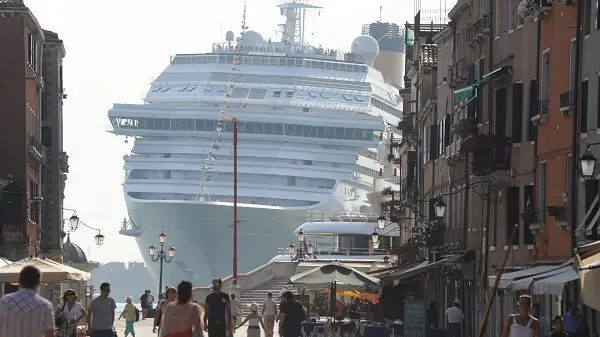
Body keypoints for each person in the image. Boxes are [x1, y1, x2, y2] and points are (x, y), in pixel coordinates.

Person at [0, 265, 54, 337]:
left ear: (19, 282)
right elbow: (49, 334)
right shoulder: (45, 306)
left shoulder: (5, 301)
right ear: (38, 284)